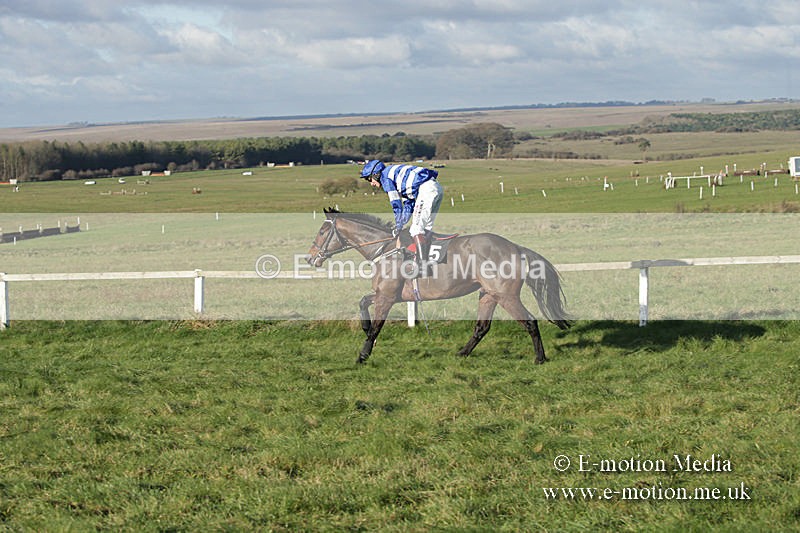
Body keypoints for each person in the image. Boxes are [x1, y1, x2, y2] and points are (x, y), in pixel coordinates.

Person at [360, 159, 443, 273]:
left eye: (370, 179)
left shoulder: (385, 178)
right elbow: (409, 204)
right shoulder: (395, 177)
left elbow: (396, 204)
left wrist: (398, 226)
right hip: (436, 188)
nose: (371, 183)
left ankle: (422, 266)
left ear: (376, 174)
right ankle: (427, 260)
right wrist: (401, 223)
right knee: (425, 228)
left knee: (416, 230)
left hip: (426, 190)